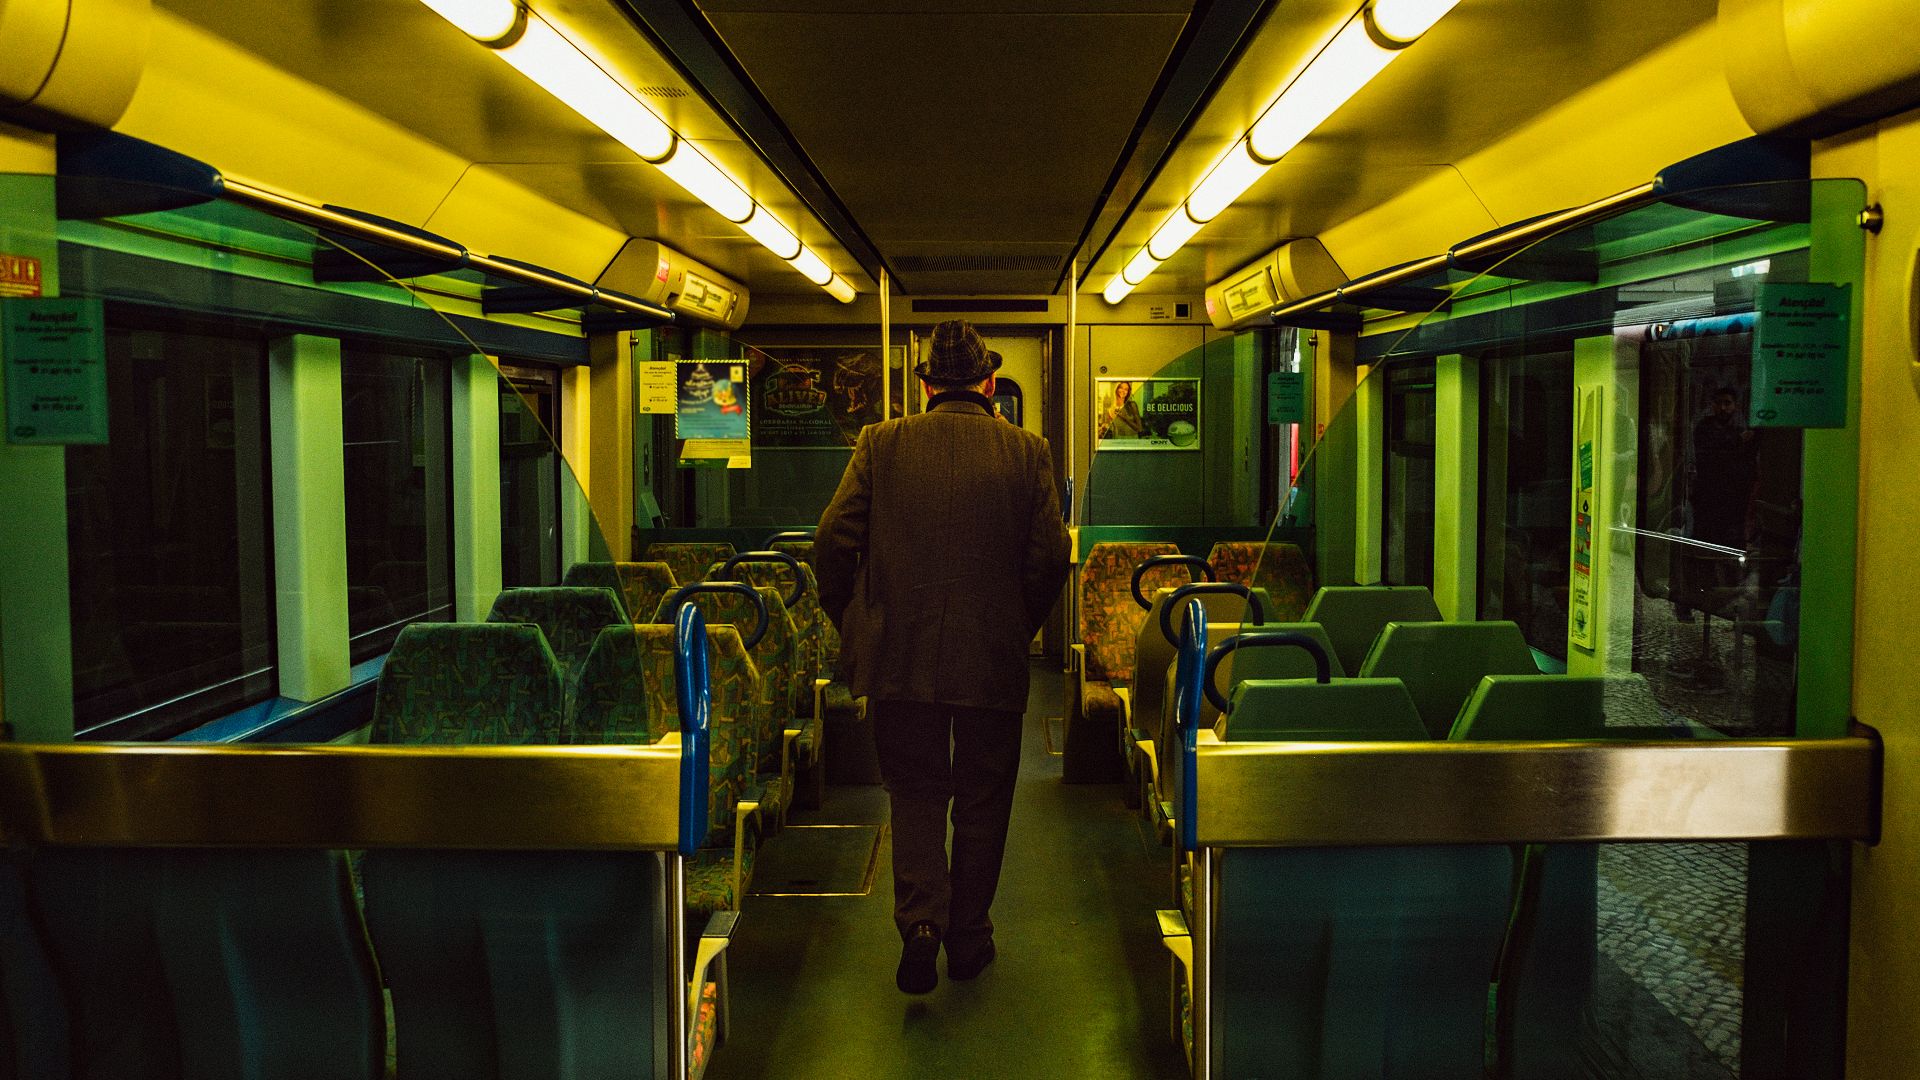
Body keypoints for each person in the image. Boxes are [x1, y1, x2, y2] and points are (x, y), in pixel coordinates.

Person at [813, 319, 1072, 995]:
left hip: (900, 655)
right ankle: (969, 936)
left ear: (925, 385)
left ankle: (921, 924)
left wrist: (856, 618)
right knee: (983, 798)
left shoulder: (881, 443)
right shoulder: (1028, 451)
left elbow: (832, 540)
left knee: (916, 791)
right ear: (990, 383)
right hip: (992, 657)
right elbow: (1051, 556)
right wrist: (1018, 623)